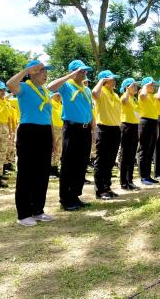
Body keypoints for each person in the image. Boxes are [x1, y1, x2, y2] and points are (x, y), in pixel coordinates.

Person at [6, 60, 54, 226]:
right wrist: (26, 70)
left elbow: (48, 115)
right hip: (29, 132)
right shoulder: (24, 87)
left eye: (46, 71)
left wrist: (52, 137)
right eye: (41, 71)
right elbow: (10, 83)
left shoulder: (45, 91)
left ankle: (38, 210)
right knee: (27, 173)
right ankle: (24, 214)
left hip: (45, 132)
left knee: (42, 173)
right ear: (32, 72)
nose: (45, 74)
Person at [47, 59, 94, 211]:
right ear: (73, 72)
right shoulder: (67, 86)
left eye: (85, 70)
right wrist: (69, 76)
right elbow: (50, 86)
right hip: (72, 129)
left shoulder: (86, 90)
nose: (84, 73)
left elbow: (89, 111)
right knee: (69, 164)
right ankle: (65, 199)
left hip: (85, 129)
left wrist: (93, 129)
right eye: (81, 70)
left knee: (81, 163)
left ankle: (75, 195)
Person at [91, 70, 121, 199]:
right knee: (101, 160)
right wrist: (102, 80)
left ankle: (107, 187)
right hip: (103, 128)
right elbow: (94, 93)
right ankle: (100, 190)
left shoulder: (115, 94)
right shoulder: (101, 91)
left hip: (115, 129)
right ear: (105, 81)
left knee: (110, 161)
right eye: (112, 78)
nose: (114, 80)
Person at [119, 78, 140, 190]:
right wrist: (127, 90)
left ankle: (130, 180)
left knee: (132, 155)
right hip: (126, 126)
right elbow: (123, 102)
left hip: (135, 126)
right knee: (125, 155)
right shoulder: (125, 96)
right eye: (133, 86)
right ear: (127, 87)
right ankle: (123, 182)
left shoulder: (134, 99)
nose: (135, 88)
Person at [138, 77, 159, 185]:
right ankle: (143, 176)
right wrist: (145, 86)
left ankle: (148, 175)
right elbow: (142, 95)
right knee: (144, 150)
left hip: (154, 122)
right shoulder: (143, 92)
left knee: (150, 150)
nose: (153, 86)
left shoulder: (153, 96)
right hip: (145, 122)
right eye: (151, 84)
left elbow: (159, 96)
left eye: (153, 84)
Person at [50, 92, 63, 177]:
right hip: (52, 128)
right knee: (52, 149)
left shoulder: (61, 105)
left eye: (60, 95)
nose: (59, 96)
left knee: (59, 149)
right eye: (57, 94)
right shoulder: (50, 104)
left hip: (61, 128)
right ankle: (49, 168)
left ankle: (55, 167)